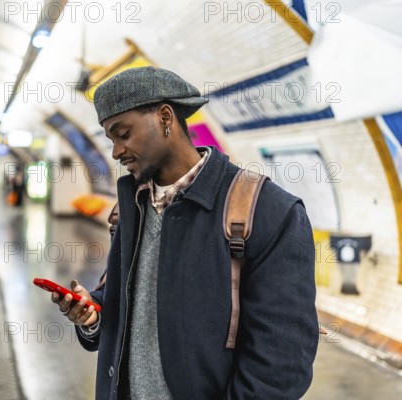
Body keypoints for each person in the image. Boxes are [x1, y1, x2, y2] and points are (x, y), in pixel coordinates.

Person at [51, 67, 318, 399]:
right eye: (110, 139)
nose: (116, 152)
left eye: (123, 133)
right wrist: (92, 312)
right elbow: (128, 300)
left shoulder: (266, 211)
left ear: (165, 118)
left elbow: (281, 359)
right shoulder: (132, 205)